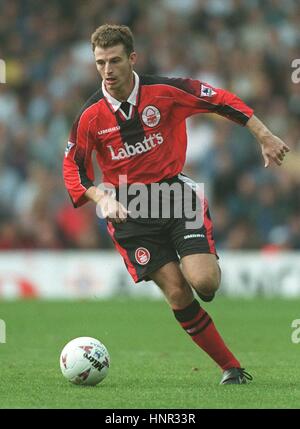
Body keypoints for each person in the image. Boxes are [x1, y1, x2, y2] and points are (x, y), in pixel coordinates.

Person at [63, 24, 290, 384]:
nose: (107, 71)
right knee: (177, 291)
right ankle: (231, 369)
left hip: (174, 198)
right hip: (129, 210)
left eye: (115, 61)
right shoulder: (90, 117)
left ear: (132, 59)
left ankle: (200, 263)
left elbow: (219, 98)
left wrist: (263, 134)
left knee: (205, 284)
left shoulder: (166, 92)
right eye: (100, 63)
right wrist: (100, 195)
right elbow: (73, 170)